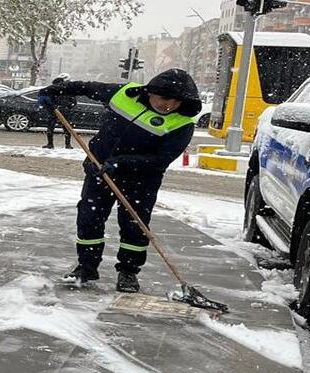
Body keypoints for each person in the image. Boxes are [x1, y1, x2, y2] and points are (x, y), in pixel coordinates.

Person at [38, 69, 202, 293]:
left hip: (141, 180)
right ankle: (87, 267)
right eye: (165, 98)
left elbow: (160, 159)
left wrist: (120, 162)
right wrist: (56, 91)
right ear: (151, 91)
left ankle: (128, 272)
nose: (169, 105)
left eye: (176, 101)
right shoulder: (123, 94)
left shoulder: (181, 123)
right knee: (89, 218)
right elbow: (87, 87)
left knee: (135, 226)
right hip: (98, 170)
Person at [37, 74, 76, 149]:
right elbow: (74, 102)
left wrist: (51, 107)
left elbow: (46, 100)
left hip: (54, 111)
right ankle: (68, 145)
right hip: (63, 111)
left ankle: (50, 144)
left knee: (51, 128)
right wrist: (67, 107)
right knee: (66, 128)